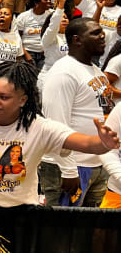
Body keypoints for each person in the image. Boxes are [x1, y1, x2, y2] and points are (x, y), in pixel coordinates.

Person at [0, 61, 120, 207]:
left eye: (4, 97)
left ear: (23, 100)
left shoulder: (40, 127)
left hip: (21, 213)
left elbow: (86, 144)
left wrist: (103, 143)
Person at [41, 18, 115, 207]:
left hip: (97, 164)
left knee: (89, 231)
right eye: (95, 33)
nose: (102, 35)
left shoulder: (96, 71)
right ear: (77, 40)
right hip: (70, 167)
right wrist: (68, 170)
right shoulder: (63, 72)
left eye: (101, 31)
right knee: (62, 231)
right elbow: (55, 124)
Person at [37, 0, 70, 92]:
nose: (64, 19)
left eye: (66, 17)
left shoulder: (72, 38)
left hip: (66, 79)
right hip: (49, 77)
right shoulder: (49, 38)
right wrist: (61, 5)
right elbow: (53, 26)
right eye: (61, 17)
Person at [16, 0, 52, 70]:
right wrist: (26, 54)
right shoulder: (23, 17)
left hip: (45, 53)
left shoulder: (51, 15)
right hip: (28, 52)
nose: (49, 1)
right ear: (36, 2)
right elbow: (18, 38)